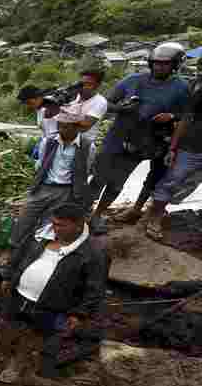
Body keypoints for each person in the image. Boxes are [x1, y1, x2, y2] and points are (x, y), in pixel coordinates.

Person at [0, 203, 105, 382]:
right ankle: (0, 354)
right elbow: (20, 254)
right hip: (18, 294)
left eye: (61, 225)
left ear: (78, 225)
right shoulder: (42, 235)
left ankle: (17, 364)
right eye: (53, 223)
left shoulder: (92, 253)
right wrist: (8, 277)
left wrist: (79, 314)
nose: (55, 228)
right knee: (6, 324)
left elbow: (94, 288)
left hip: (50, 304)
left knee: (33, 335)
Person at [95, 43, 191, 228]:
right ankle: (91, 214)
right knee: (108, 178)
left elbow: (187, 115)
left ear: (175, 65)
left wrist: (171, 116)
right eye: (156, 63)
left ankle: (127, 210)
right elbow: (104, 103)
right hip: (126, 138)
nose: (159, 67)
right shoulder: (132, 80)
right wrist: (122, 108)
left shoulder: (181, 87)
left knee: (142, 179)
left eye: (165, 64)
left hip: (156, 140)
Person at [6, 113, 92, 261]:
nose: (61, 130)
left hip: (66, 190)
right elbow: (40, 163)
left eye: (65, 127)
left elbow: (86, 169)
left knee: (49, 224)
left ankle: (36, 254)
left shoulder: (87, 146)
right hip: (43, 187)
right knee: (25, 218)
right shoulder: (49, 141)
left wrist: (76, 191)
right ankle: (12, 251)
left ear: (76, 128)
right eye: (60, 126)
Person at [143, 63, 202, 241]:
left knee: (182, 183)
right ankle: (154, 217)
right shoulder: (198, 92)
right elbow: (185, 120)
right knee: (171, 181)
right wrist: (173, 147)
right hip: (191, 147)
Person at [63, 67, 109, 142]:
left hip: (82, 145)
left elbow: (84, 126)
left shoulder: (100, 102)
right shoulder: (73, 96)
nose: (84, 87)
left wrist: (63, 115)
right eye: (82, 83)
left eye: (89, 84)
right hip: (62, 140)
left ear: (98, 85)